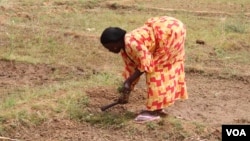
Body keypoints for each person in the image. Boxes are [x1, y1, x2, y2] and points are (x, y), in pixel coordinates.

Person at [100, 16, 188, 123]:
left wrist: (129, 81)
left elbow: (146, 64)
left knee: (156, 72)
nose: (109, 50)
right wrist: (127, 90)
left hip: (170, 32)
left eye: (109, 47)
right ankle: (157, 108)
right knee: (158, 69)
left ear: (116, 43)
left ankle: (153, 111)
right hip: (167, 28)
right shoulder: (125, 48)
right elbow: (132, 69)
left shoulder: (132, 44)